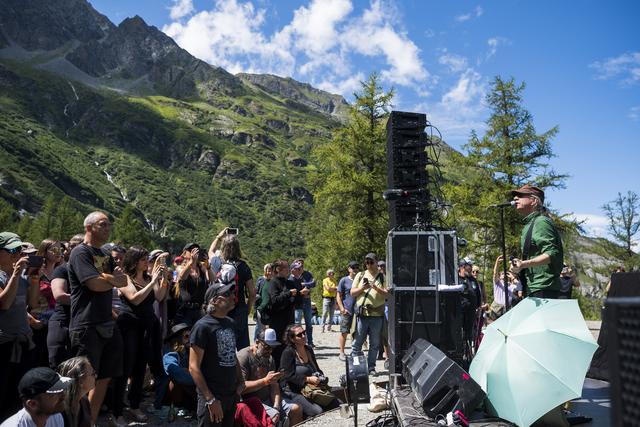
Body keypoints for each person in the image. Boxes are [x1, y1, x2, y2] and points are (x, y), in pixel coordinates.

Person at [67, 212, 127, 424]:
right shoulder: (79, 253)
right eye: (103, 224)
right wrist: (113, 280)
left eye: (109, 224)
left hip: (106, 323)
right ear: (89, 227)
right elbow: (94, 284)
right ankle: (75, 421)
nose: (108, 228)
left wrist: (110, 279)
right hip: (86, 324)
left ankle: (90, 421)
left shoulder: (105, 255)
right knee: (82, 380)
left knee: (103, 377)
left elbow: (120, 280)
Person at [113, 246, 168, 424]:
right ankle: (117, 411)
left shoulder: (147, 277)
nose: (147, 262)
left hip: (147, 326)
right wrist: (153, 281)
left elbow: (160, 296)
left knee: (140, 368)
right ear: (134, 261)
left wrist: (163, 277)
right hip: (130, 325)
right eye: (144, 259)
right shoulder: (126, 278)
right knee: (125, 368)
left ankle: (135, 405)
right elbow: (135, 298)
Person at [189, 271, 244, 427]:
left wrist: (241, 381)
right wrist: (210, 399)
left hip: (230, 394)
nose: (233, 296)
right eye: (228, 294)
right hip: (212, 396)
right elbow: (193, 367)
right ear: (215, 300)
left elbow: (231, 355)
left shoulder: (230, 323)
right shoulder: (202, 327)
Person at [0, 232, 39, 420]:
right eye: (12, 250)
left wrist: (34, 280)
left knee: (19, 394)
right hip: (4, 345)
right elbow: (4, 303)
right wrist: (15, 274)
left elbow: (32, 303)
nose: (17, 253)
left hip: (24, 343)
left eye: (19, 249)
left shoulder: (21, 278)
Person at [237, 328, 302, 426]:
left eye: (273, 348)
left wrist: (276, 407)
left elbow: (274, 385)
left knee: (296, 409)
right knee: (272, 418)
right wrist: (264, 381)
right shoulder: (244, 357)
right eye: (267, 347)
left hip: (268, 399)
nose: (270, 351)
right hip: (252, 402)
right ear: (257, 342)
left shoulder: (269, 358)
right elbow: (241, 387)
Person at [509, 185, 564, 298]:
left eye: (520, 195)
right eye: (515, 196)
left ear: (534, 200)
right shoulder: (531, 224)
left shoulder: (541, 222)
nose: (515, 198)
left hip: (544, 288)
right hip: (534, 288)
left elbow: (552, 254)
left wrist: (524, 264)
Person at [280, 324, 339, 417]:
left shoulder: (308, 349)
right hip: (294, 390)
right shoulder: (288, 352)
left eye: (304, 333)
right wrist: (307, 379)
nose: (303, 336)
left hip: (311, 389)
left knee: (336, 403)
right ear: (292, 339)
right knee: (317, 411)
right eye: (299, 335)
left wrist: (320, 377)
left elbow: (317, 369)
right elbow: (287, 375)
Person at [47, 234, 84, 369]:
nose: (68, 251)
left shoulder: (90, 272)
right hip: (63, 323)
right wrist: (89, 299)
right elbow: (60, 295)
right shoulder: (62, 270)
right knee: (59, 366)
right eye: (71, 247)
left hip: (82, 324)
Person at [350, 253, 388, 375]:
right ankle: (356, 368)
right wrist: (362, 288)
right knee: (357, 343)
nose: (369, 265)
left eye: (371, 262)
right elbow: (352, 293)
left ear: (376, 262)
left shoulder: (382, 277)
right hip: (363, 315)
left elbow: (388, 294)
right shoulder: (360, 275)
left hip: (377, 315)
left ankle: (371, 368)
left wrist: (376, 288)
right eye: (367, 262)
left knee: (375, 344)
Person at [30, 239, 64, 368]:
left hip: (56, 322)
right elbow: (32, 302)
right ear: (44, 252)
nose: (58, 253)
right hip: (39, 322)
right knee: (37, 361)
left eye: (60, 250)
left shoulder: (61, 272)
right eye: (54, 249)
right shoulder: (36, 272)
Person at [217, 234, 255, 350]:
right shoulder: (243, 266)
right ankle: (242, 368)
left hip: (222, 309)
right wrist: (247, 309)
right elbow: (252, 292)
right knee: (242, 347)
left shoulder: (219, 265)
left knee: (224, 345)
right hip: (239, 309)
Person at [1, 367, 71, 427]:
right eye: (53, 395)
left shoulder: (56, 417)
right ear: (32, 404)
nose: (63, 396)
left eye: (61, 390)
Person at [174, 243, 211, 327]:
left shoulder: (201, 268)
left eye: (197, 250)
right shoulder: (180, 267)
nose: (194, 253)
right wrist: (191, 262)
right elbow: (182, 276)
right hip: (185, 310)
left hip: (200, 310)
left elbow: (212, 280)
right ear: (184, 254)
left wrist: (208, 266)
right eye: (191, 250)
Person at [161, 323, 196, 411]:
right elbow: (175, 372)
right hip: (174, 392)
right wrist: (198, 379)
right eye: (187, 336)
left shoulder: (191, 349)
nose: (190, 339)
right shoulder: (170, 352)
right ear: (178, 338)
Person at [266, 260, 299, 346]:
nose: (289, 269)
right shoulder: (273, 283)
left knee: (290, 346)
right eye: (286, 267)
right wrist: (289, 294)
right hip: (277, 322)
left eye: (289, 267)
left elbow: (296, 300)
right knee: (278, 348)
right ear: (278, 269)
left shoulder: (290, 283)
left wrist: (301, 294)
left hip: (290, 321)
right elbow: (274, 301)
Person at [57, 357, 95, 427]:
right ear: (80, 381)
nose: (96, 376)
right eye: (93, 374)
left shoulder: (84, 400)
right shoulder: (59, 408)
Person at [336, 261, 358, 361]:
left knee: (358, 333)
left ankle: (355, 352)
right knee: (344, 332)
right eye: (353, 267)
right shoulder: (344, 280)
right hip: (347, 310)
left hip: (358, 311)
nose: (355, 269)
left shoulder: (360, 280)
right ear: (349, 269)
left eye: (357, 267)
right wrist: (341, 308)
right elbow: (338, 295)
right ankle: (341, 352)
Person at [290, 260, 314, 347]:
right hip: (297, 304)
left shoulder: (306, 274)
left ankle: (310, 342)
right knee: (297, 323)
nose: (300, 268)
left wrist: (305, 285)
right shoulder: (291, 279)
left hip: (307, 301)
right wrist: (302, 292)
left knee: (309, 323)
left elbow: (313, 283)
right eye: (298, 267)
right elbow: (292, 293)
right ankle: (297, 341)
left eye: (301, 266)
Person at [489, 256, 520, 320]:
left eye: (506, 273)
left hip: (506, 309)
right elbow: (495, 273)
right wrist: (497, 262)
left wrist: (512, 277)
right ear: (500, 276)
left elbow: (520, 286)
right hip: (496, 309)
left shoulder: (511, 286)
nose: (505, 275)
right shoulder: (498, 283)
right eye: (503, 274)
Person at [254, 263, 273, 342]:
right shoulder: (261, 280)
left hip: (270, 307)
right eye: (268, 271)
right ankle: (256, 341)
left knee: (268, 326)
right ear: (265, 271)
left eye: (271, 271)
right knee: (259, 326)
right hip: (261, 306)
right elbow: (256, 293)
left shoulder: (273, 281)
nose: (270, 273)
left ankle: (266, 342)